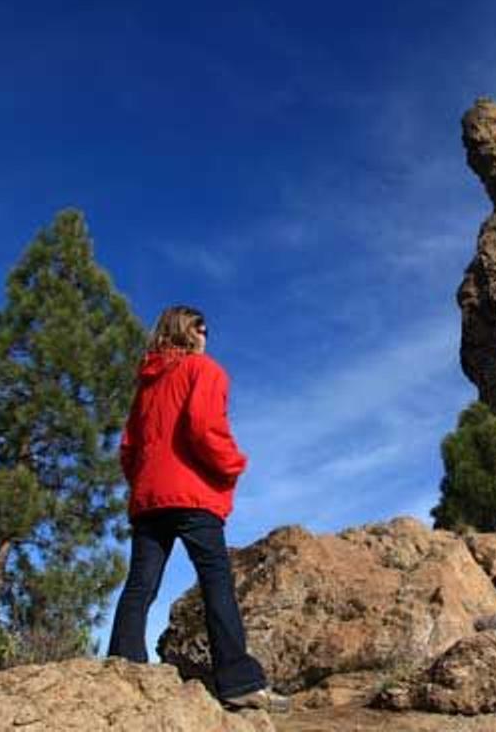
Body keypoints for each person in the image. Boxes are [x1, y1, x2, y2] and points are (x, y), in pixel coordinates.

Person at [107, 305, 288, 713]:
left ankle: (121, 671)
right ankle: (239, 682)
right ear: (186, 331)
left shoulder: (146, 385)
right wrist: (233, 464)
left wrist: (144, 483)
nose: (207, 335)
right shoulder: (203, 370)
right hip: (191, 496)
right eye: (201, 327)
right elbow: (204, 427)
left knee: (140, 585)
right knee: (215, 581)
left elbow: (128, 449)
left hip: (149, 499)